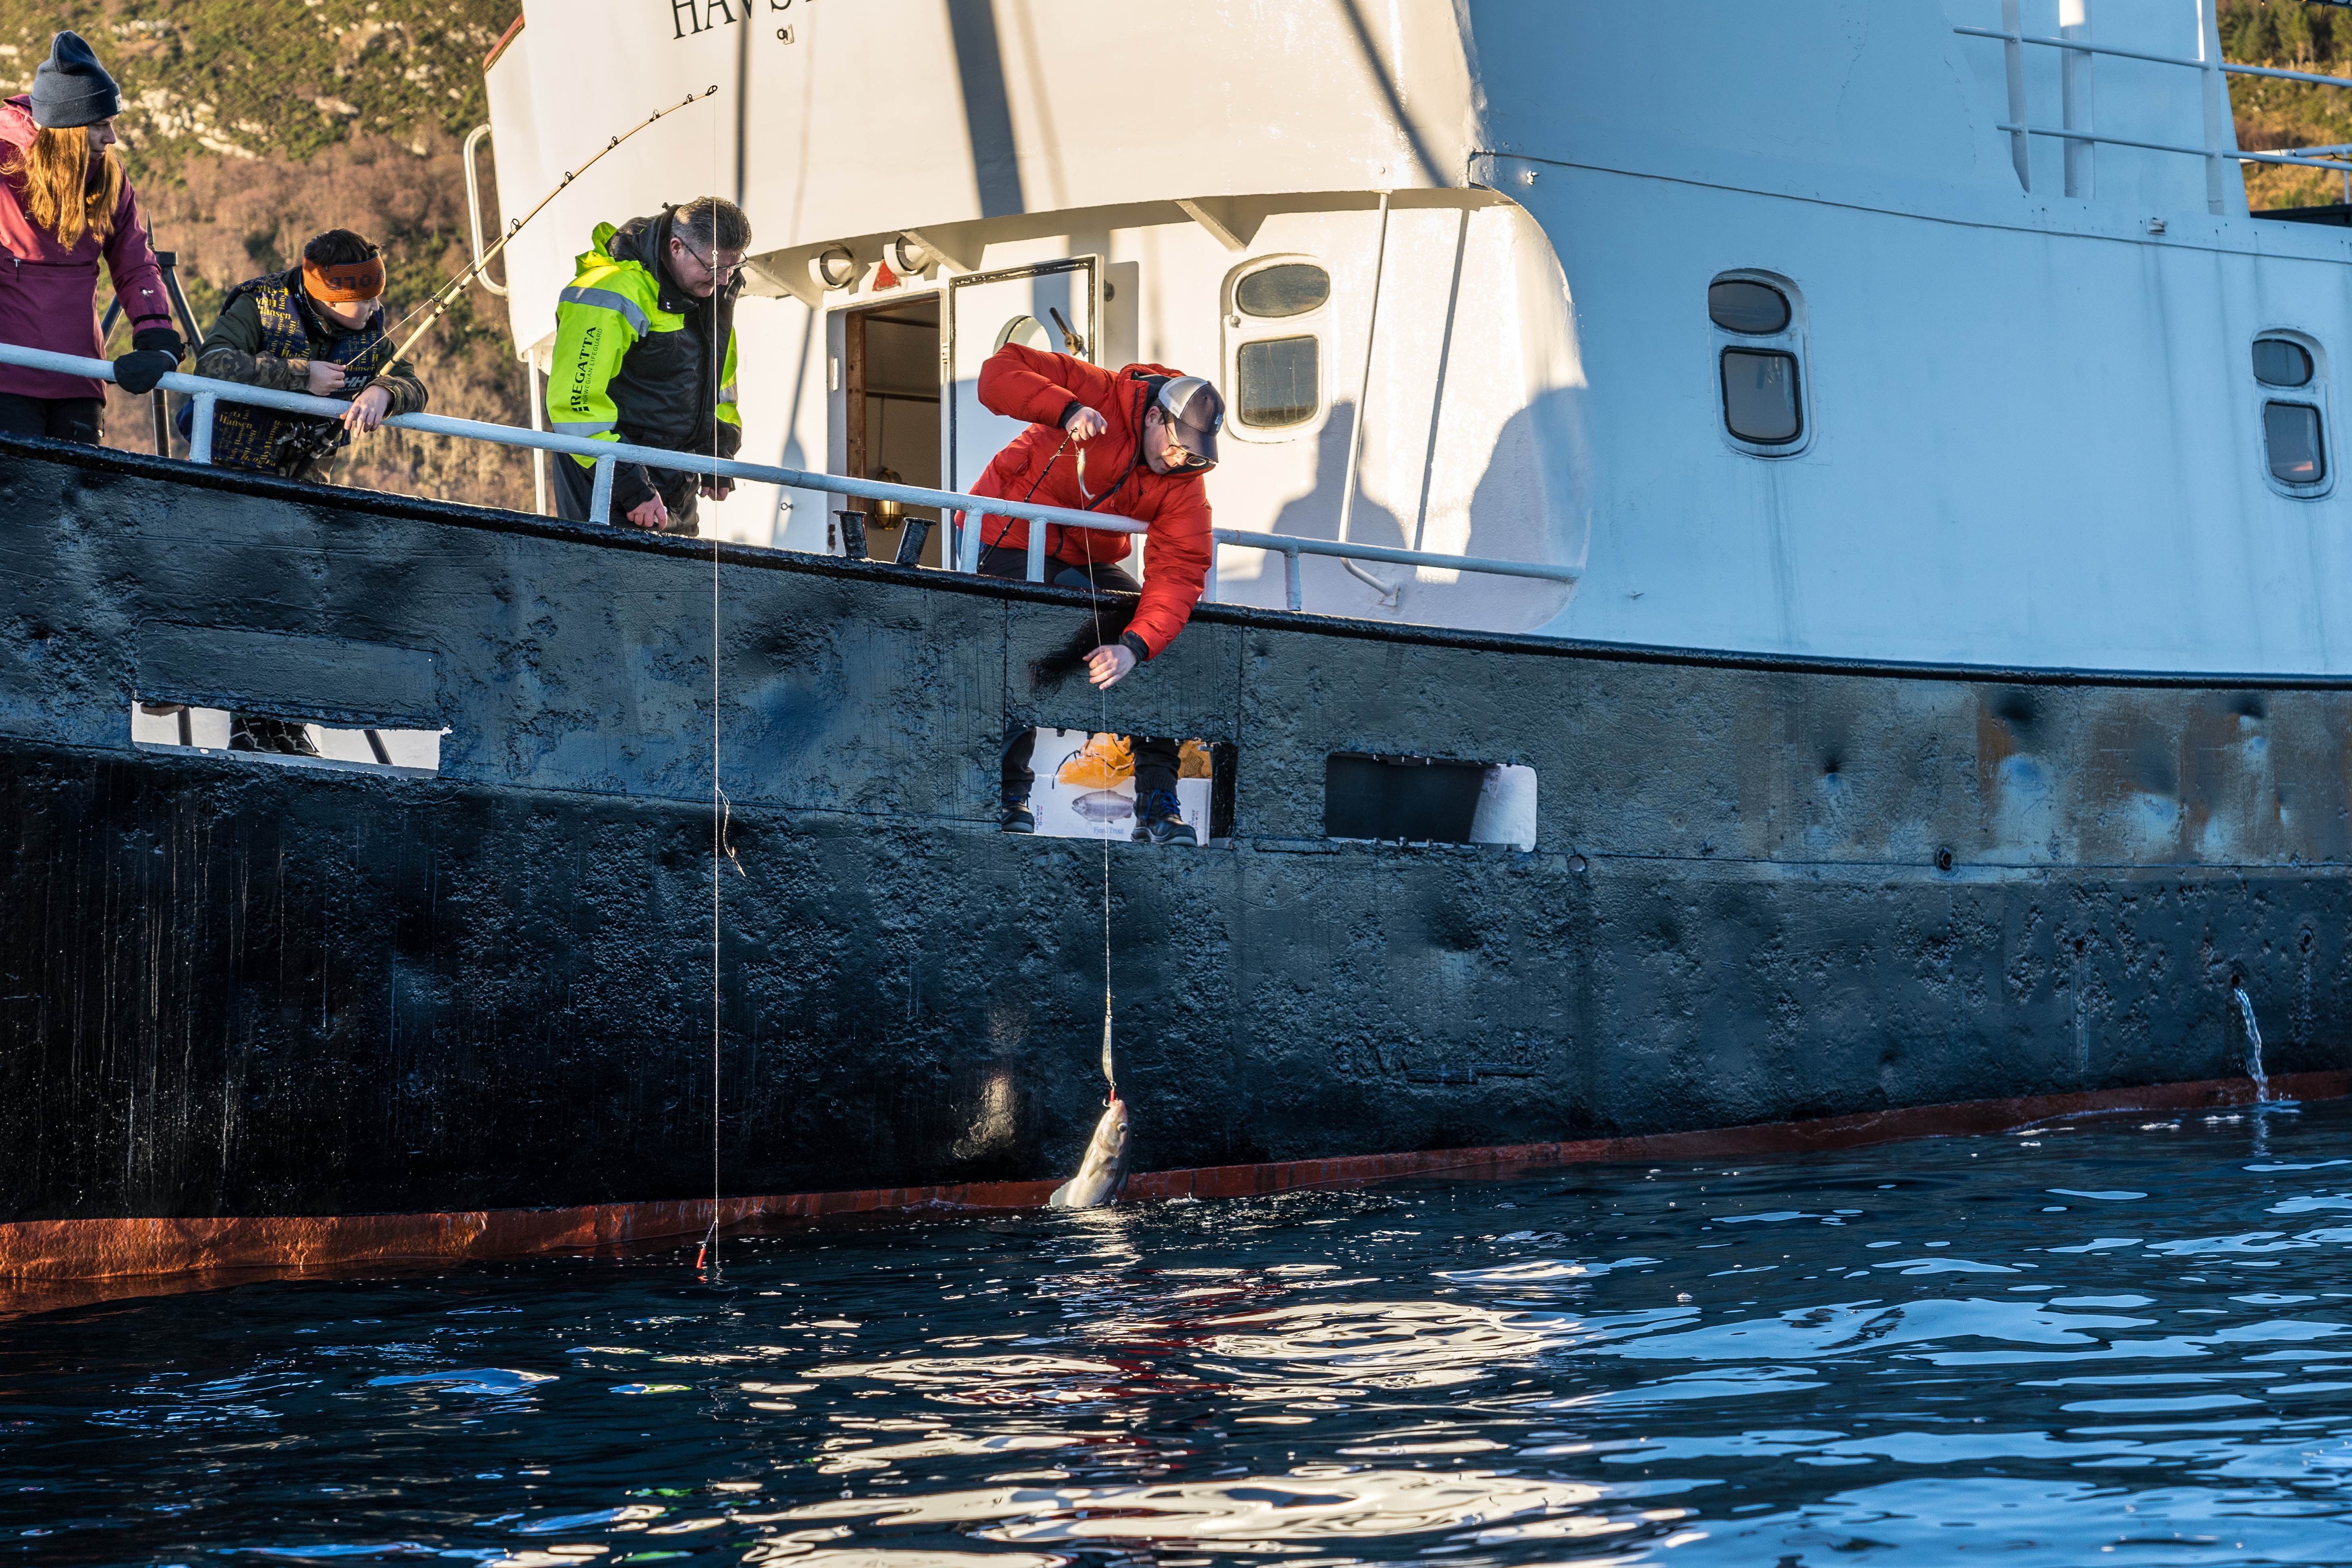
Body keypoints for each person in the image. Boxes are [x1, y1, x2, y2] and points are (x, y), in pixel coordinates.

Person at [959, 344, 1223, 845]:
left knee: (1150, 629)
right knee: (1022, 633)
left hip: (1081, 556)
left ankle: (1157, 805)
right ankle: (1004, 795)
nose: (1178, 460)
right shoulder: (1098, 390)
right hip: (1006, 535)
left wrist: (1134, 647)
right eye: (1175, 444)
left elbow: (1181, 569)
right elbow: (995, 374)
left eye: (1193, 453)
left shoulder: (1184, 478)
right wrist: (1064, 408)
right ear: (1152, 417)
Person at [0, 31, 183, 444]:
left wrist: (157, 337)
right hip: (7, 377)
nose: (112, 138)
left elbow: (136, 263)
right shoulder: (2, 167)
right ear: (66, 129)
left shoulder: (110, 178)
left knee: (75, 503)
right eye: (100, 126)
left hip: (81, 380)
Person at [545, 197, 748, 536]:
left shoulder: (710, 292)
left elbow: (721, 383)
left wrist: (718, 449)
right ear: (676, 247)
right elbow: (574, 406)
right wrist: (631, 487)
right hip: (610, 485)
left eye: (733, 268)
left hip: (677, 481)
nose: (724, 280)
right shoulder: (610, 292)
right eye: (714, 268)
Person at [194, 229, 429, 484]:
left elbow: (415, 387)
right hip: (226, 474)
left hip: (309, 487)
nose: (375, 308)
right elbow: (211, 364)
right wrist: (302, 375)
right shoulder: (258, 303)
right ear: (332, 300)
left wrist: (385, 392)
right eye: (365, 300)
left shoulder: (369, 330)